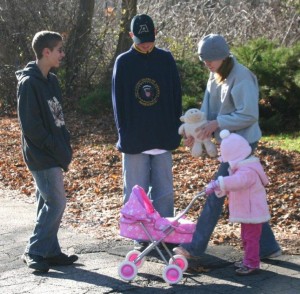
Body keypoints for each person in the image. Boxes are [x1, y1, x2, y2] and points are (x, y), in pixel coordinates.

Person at [173, 34, 281, 260]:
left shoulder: (242, 77)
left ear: (223, 56)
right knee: (246, 193)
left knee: (217, 189)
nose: (207, 64)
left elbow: (249, 114)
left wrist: (217, 123)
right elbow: (206, 113)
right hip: (229, 144)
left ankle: (194, 247)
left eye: (210, 59)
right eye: (204, 60)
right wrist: (196, 132)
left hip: (244, 144)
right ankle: (268, 247)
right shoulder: (215, 76)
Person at [112, 14, 182, 249]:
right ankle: (140, 237)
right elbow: (118, 103)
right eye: (141, 39)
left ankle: (164, 234)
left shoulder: (166, 59)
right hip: (134, 139)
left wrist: (176, 129)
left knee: (164, 192)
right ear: (131, 36)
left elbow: (175, 96)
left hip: (162, 136)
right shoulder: (123, 62)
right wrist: (124, 135)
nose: (146, 43)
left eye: (149, 39)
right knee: (135, 192)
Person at [16, 30, 78, 273]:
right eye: (59, 50)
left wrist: (65, 143)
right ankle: (34, 250)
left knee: (46, 202)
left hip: (54, 151)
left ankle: (50, 250)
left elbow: (58, 117)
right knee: (56, 202)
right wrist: (55, 146)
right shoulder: (29, 83)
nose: (63, 54)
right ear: (46, 52)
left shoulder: (52, 81)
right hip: (40, 154)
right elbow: (30, 127)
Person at [205, 129, 271, 275]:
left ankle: (252, 263)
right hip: (248, 212)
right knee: (247, 237)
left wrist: (220, 183)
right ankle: (248, 259)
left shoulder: (248, 171)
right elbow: (233, 186)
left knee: (251, 238)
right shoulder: (243, 168)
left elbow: (238, 182)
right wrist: (219, 187)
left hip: (253, 212)